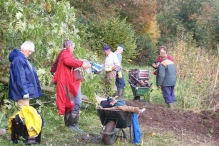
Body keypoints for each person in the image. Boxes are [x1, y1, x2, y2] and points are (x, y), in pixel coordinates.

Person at [52, 40, 90, 132]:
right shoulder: (65, 53)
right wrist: (81, 64)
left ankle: (69, 124)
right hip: (68, 82)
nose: (74, 49)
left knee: (69, 101)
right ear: (69, 46)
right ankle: (72, 125)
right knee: (77, 101)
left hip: (68, 81)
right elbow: (68, 61)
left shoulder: (64, 53)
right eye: (73, 47)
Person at [8, 41, 42, 110]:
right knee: (24, 112)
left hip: (24, 90)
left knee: (24, 112)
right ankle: (15, 121)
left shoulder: (22, 59)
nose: (30, 53)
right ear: (24, 49)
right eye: (29, 51)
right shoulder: (19, 59)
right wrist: (24, 92)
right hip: (21, 92)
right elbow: (20, 77)